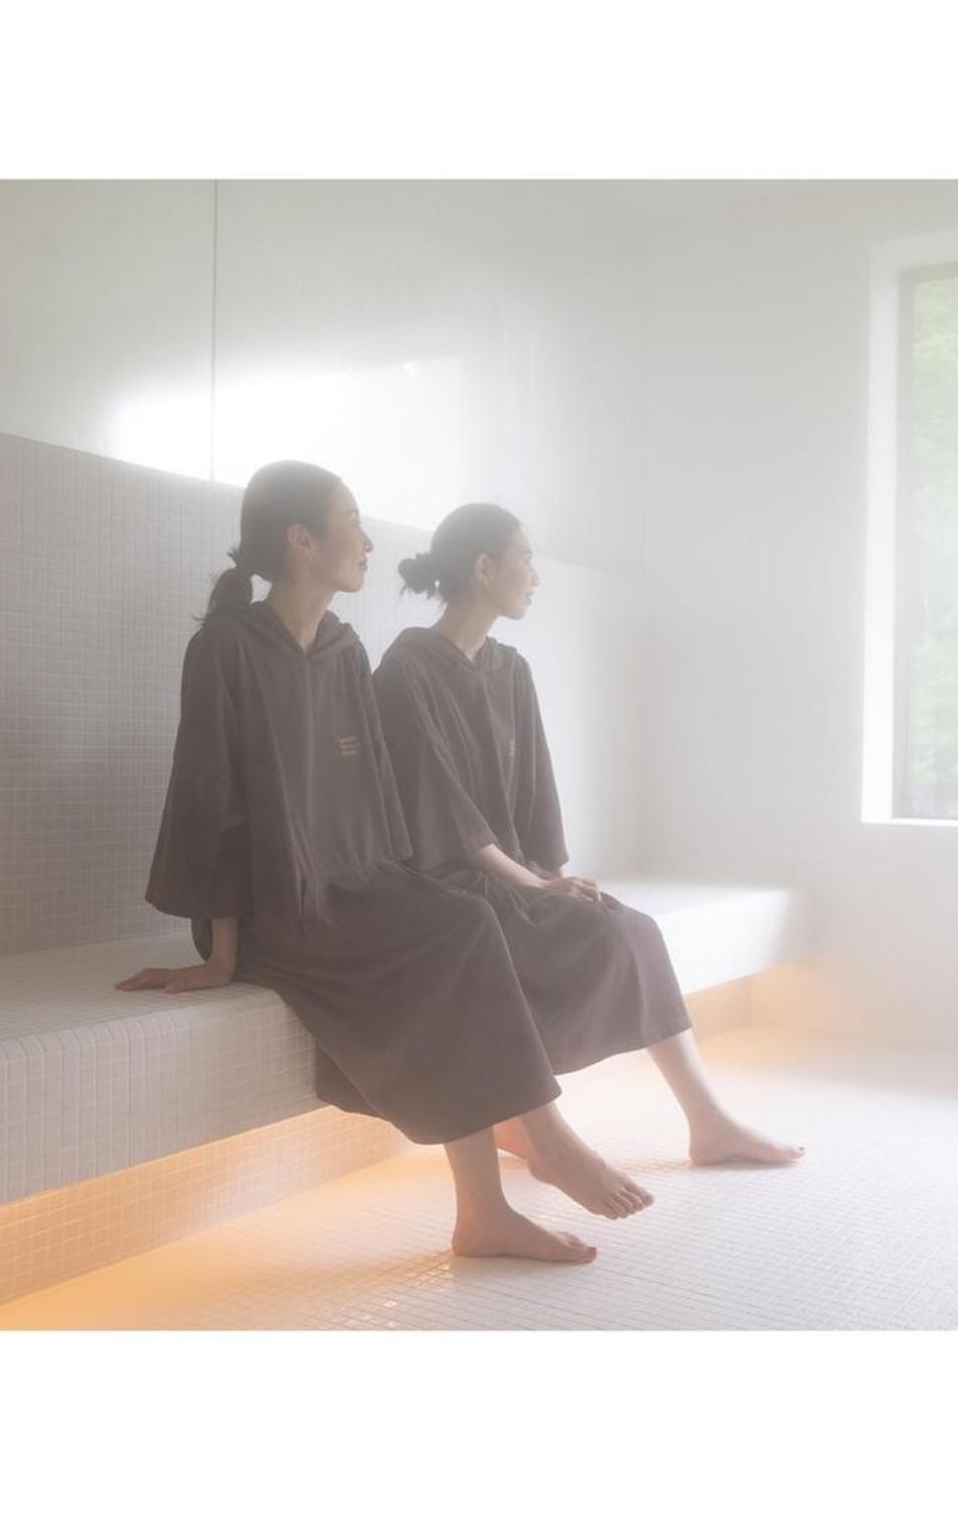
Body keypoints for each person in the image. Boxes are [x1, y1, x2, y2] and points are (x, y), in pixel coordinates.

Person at [115, 461, 653, 1266]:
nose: (367, 542)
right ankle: (538, 1146)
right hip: (274, 904)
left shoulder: (343, 649)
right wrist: (223, 955)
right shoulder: (225, 648)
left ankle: (485, 1210)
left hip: (354, 884)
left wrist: (406, 889)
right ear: (302, 541)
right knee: (456, 934)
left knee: (462, 919)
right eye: (352, 523)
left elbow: (372, 793)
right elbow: (207, 799)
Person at [373, 503, 803, 1171]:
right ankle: (524, 1122)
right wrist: (537, 886)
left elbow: (533, 792)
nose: (535, 576)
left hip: (514, 872)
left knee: (631, 930)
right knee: (556, 940)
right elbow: (441, 810)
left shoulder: (509, 668)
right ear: (484, 568)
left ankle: (707, 1121)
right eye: (525, 559)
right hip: (444, 882)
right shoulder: (406, 671)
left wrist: (549, 876)